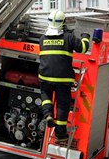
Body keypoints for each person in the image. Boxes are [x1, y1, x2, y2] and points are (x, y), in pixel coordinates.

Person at [38, 10, 90, 142]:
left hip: (45, 76)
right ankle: (60, 134)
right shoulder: (68, 37)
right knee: (62, 105)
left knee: (45, 94)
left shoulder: (42, 39)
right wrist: (85, 36)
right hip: (63, 79)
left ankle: (48, 114)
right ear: (63, 23)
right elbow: (83, 48)